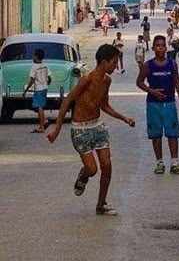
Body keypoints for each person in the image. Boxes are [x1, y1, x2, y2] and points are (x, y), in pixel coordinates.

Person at [47, 44, 135, 216]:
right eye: (114, 63)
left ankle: (101, 204)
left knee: (107, 165)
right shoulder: (86, 80)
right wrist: (57, 129)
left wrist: (124, 118)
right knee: (92, 169)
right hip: (80, 129)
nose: (116, 66)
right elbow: (67, 101)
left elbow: (105, 106)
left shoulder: (107, 81)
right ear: (104, 62)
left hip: (97, 126)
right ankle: (84, 174)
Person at [136, 35, 179, 175]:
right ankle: (159, 162)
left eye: (163, 45)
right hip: (153, 104)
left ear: (166, 47)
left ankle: (175, 163)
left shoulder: (172, 64)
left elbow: (177, 83)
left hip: (169, 103)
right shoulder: (148, 65)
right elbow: (139, 82)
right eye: (158, 45)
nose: (161, 48)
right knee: (156, 134)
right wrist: (152, 91)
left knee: (172, 134)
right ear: (153, 48)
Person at [23, 48, 51, 133]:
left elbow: (32, 80)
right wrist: (46, 82)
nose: (32, 57)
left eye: (33, 55)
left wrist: (26, 90)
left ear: (36, 56)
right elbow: (49, 78)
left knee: (39, 108)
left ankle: (41, 126)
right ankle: (45, 121)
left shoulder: (34, 67)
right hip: (44, 88)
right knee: (40, 106)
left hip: (38, 89)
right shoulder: (45, 65)